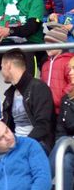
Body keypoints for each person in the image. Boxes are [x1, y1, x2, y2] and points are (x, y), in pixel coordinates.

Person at [1, 48, 55, 152]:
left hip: (37, 144)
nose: (1, 71)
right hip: (15, 143)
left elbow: (43, 126)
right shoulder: (10, 93)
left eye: (2, 67)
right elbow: (5, 124)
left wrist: (22, 146)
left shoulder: (38, 88)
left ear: (8, 65)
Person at [0, 119, 52, 189]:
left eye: (7, 131)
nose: (8, 137)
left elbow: (43, 178)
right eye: (0, 138)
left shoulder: (29, 145)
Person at [50, 56, 74, 190]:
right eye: (70, 69)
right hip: (70, 145)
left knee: (64, 141)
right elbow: (60, 130)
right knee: (66, 160)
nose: (70, 72)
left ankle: (39, 184)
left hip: (69, 142)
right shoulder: (67, 98)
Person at [41, 27, 73, 114]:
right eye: (45, 43)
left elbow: (72, 83)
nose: (47, 46)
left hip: (65, 109)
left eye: (50, 43)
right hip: (48, 109)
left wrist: (62, 98)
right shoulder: (45, 65)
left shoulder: (68, 61)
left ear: (60, 44)